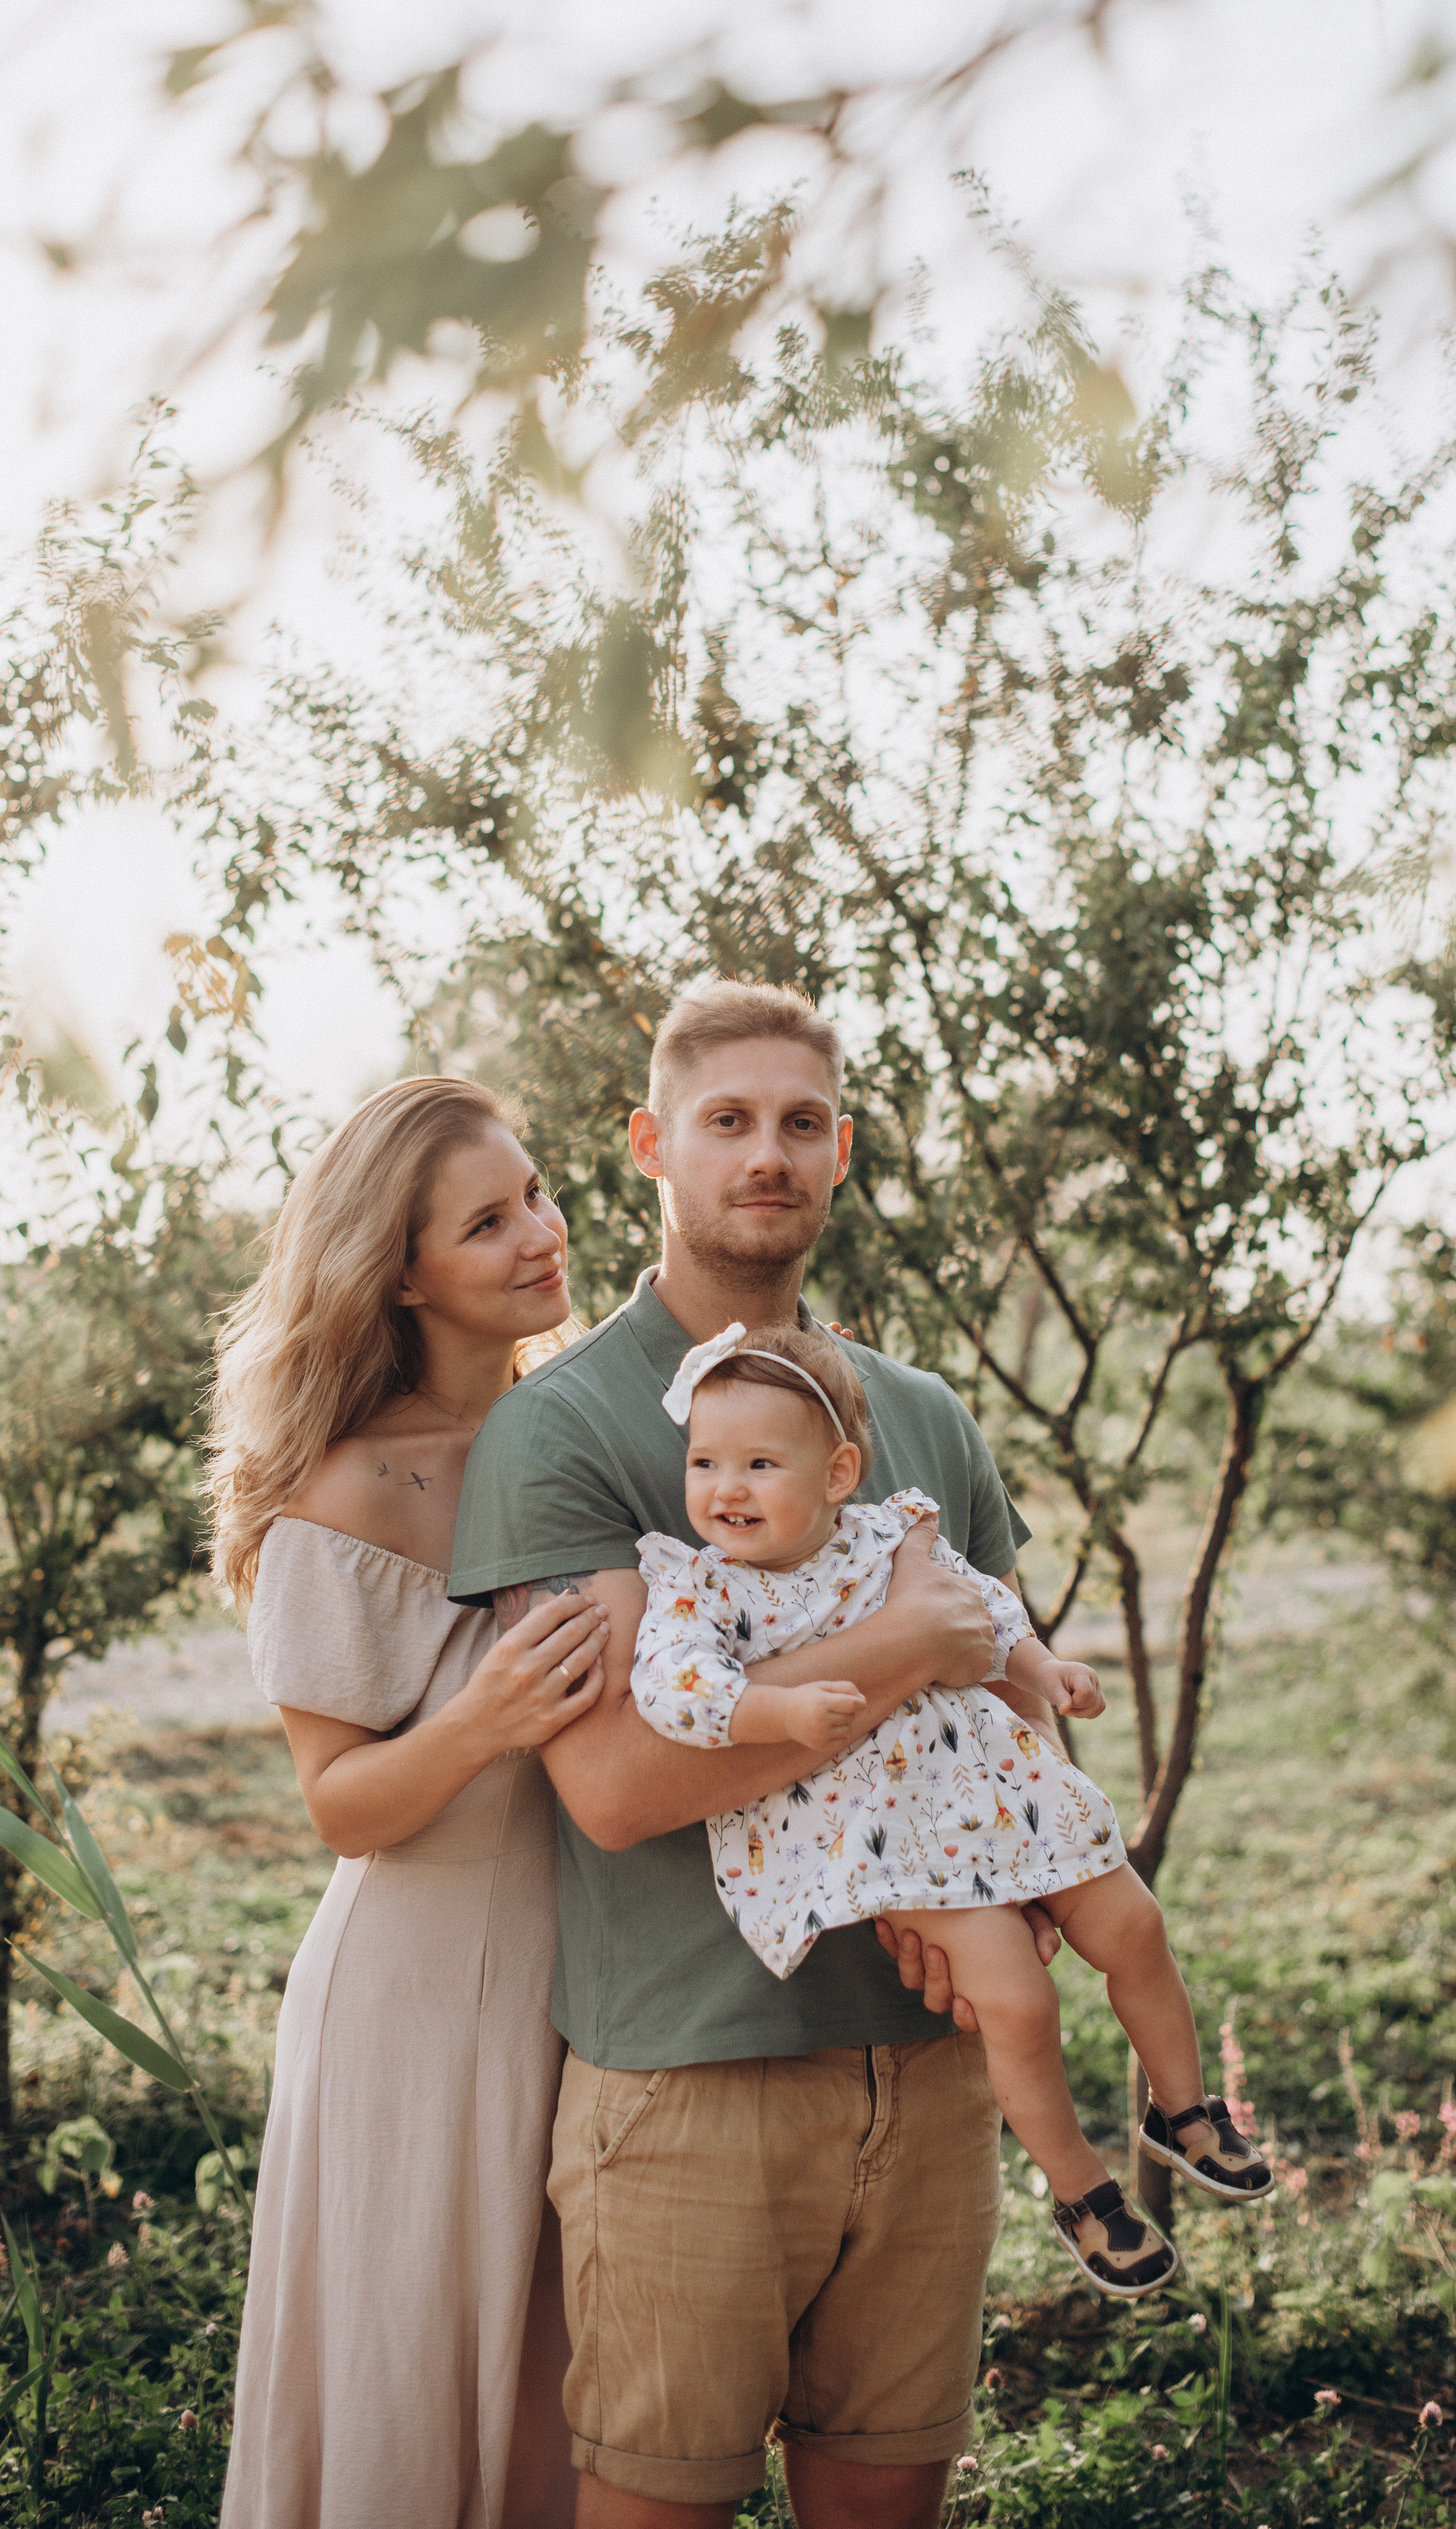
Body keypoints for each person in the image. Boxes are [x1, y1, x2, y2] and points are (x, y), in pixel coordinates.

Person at [448, 981, 1120, 2528]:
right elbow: (617, 1788)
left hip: (937, 2060)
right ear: (648, 1146)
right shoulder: (564, 1431)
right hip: (692, 2077)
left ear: (841, 1153)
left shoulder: (923, 1415)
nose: (769, 1155)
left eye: (801, 1124)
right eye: (727, 1121)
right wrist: (895, 1647)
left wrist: (998, 1897)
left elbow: (1004, 1700)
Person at [630, 1317, 1274, 2301]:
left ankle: (1182, 2108)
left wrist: (1045, 1668)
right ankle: (1083, 2191)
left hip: (996, 1781)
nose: (726, 1487)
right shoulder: (703, 1592)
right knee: (1017, 1998)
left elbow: (989, 1615)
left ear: (839, 1471)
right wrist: (777, 1707)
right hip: (885, 1828)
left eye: (760, 1462)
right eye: (706, 1460)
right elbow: (672, 1690)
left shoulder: (895, 1535)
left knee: (1133, 1923)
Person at [209, 1076, 611, 2529]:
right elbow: (341, 1805)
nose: (541, 1235)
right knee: (413, 2380)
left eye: (539, 1193)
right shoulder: (348, 1492)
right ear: (397, 1269)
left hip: (594, 1981)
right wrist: (483, 1720)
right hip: (420, 2001)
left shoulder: (585, 1438)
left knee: (554, 2392)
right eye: (488, 1221)